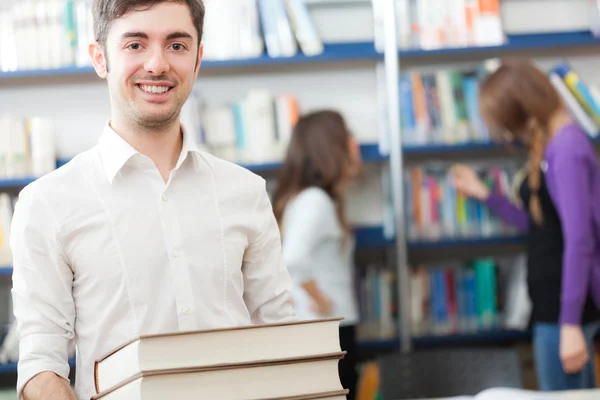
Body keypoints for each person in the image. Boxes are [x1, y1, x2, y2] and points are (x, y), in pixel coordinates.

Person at [10, 1, 296, 399]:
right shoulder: (47, 203)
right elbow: (41, 366)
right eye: (135, 44)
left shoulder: (245, 192)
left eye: (177, 45)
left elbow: (281, 339)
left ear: (198, 59)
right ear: (100, 58)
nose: (158, 65)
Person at [450, 59, 600, 391]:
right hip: (553, 306)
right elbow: (542, 225)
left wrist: (570, 323)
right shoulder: (554, 144)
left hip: (564, 312)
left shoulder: (567, 148)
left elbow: (580, 240)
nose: (506, 136)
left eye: (506, 126)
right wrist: (486, 196)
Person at [271, 110, 362, 400]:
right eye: (349, 137)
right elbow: (293, 259)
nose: (355, 144)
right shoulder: (316, 201)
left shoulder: (310, 199)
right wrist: (321, 300)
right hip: (328, 329)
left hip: (325, 328)